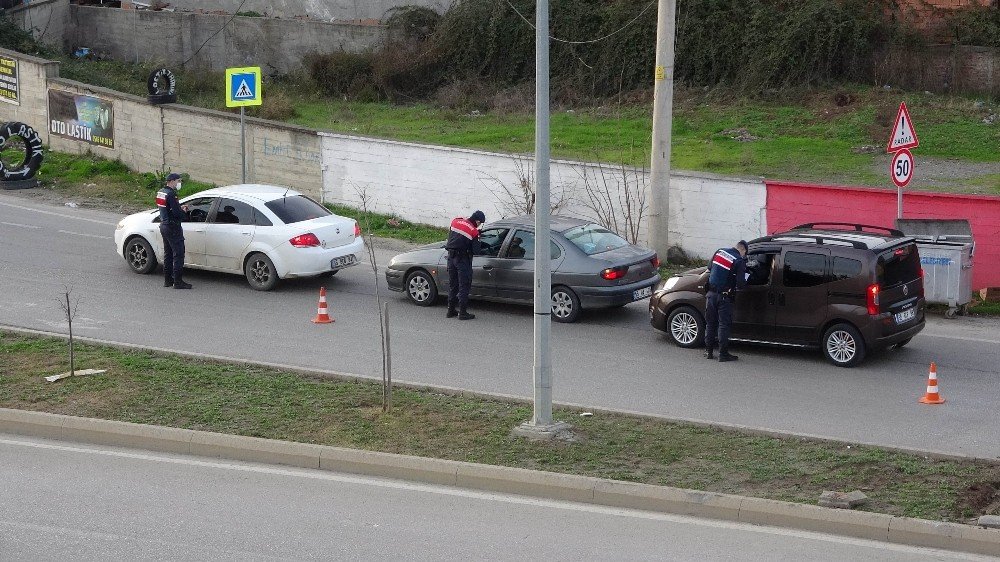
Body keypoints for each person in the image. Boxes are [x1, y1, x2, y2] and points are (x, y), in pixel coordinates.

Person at [704, 240, 748, 362]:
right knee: (723, 325)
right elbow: (740, 284)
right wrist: (746, 276)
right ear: (743, 250)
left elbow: (709, 268)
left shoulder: (720, 251)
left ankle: (708, 351)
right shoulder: (739, 260)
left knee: (710, 324)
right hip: (724, 297)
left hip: (711, 295)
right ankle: (723, 354)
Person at [445, 210, 486, 320]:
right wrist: (478, 237)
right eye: (480, 223)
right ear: (477, 221)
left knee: (453, 285)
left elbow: (453, 237)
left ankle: (450, 310)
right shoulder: (473, 231)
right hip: (462, 260)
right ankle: (462, 313)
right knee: (464, 286)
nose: (480, 225)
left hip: (451, 257)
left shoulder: (456, 221)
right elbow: (476, 251)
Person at [156, 173, 192, 289]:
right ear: (172, 181)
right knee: (179, 254)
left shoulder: (161, 192)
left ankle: (168, 280)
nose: (178, 183)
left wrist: (178, 208)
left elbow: (166, 208)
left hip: (164, 225)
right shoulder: (171, 194)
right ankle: (178, 282)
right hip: (173, 227)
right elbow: (176, 213)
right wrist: (184, 212)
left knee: (168, 254)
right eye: (178, 181)